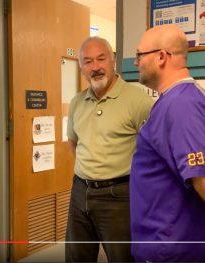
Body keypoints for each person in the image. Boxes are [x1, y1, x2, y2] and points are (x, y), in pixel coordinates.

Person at [65, 36, 154, 262]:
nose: (95, 67)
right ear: (81, 68)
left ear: (113, 60)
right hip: (80, 192)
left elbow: (155, 151)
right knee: (76, 257)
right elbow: (74, 143)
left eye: (100, 59)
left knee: (122, 257)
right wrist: (92, 173)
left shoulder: (138, 101)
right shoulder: (77, 102)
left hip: (119, 195)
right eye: (88, 61)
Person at [130, 24, 205, 262]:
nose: (135, 62)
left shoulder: (182, 105)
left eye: (140, 55)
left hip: (171, 249)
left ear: (161, 56)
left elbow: (201, 179)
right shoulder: (173, 101)